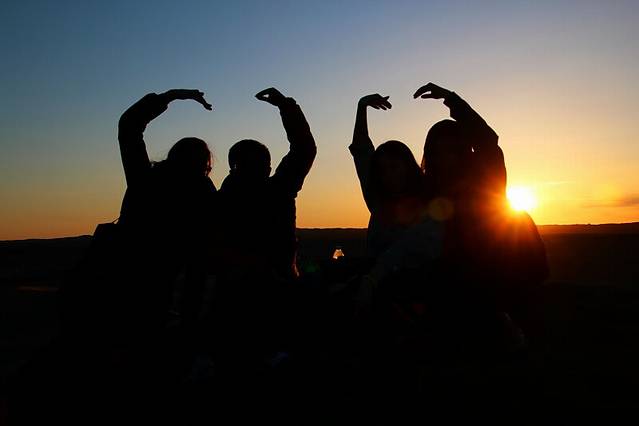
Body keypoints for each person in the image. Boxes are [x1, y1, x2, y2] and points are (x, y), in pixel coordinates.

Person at [62, 88, 217, 343]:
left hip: (110, 280)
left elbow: (129, 126)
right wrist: (189, 323)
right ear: (205, 165)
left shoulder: (145, 179)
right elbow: (197, 267)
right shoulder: (203, 195)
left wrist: (172, 95)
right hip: (153, 290)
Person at [414, 82, 548, 352]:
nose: (445, 158)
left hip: (496, 272)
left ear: (463, 150)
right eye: (438, 151)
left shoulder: (486, 179)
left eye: (452, 149)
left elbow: (488, 142)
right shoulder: (427, 190)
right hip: (450, 278)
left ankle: (504, 325)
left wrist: (452, 100)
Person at [212, 88, 316, 377]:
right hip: (274, 291)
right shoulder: (278, 189)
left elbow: (303, 150)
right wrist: (286, 106)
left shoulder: (219, 201)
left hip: (234, 296)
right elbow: (304, 149)